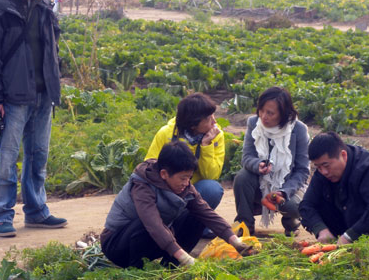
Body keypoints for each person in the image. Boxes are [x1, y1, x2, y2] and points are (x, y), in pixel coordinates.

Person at [0, 0, 65, 237]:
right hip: (13, 97)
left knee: (38, 156)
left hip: (43, 96)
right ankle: (1, 214)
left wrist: (55, 81)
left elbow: (52, 47)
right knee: (8, 158)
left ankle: (37, 211)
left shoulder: (43, 8)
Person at [101, 141, 253, 268]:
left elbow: (206, 213)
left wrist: (235, 241)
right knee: (146, 225)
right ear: (164, 174)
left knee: (197, 217)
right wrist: (186, 258)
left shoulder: (183, 185)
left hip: (151, 240)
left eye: (189, 178)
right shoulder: (142, 186)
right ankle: (136, 270)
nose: (186, 183)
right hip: (118, 245)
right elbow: (153, 225)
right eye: (183, 178)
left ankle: (170, 267)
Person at [233, 87, 310, 236]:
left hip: (289, 185)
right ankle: (245, 224)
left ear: (284, 114)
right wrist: (258, 165)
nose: (264, 117)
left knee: (292, 206)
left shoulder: (298, 129)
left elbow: (302, 171)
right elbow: (247, 157)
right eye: (261, 110)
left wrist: (283, 192)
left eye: (270, 113)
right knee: (242, 177)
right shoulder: (254, 123)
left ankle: (291, 221)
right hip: (262, 181)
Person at [145, 93, 224, 211]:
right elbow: (150, 167)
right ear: (193, 125)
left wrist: (206, 146)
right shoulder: (166, 133)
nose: (214, 122)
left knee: (212, 188)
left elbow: (211, 176)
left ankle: (193, 226)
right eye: (208, 119)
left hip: (193, 192)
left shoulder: (216, 137)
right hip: (166, 191)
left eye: (213, 116)